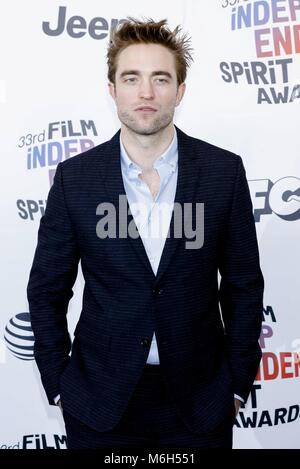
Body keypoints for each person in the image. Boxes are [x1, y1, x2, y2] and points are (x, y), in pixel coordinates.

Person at [27, 17, 264, 449]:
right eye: (131, 78)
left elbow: (244, 286)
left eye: (160, 78)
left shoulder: (223, 172)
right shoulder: (74, 179)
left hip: (200, 403)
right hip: (99, 404)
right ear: (113, 89)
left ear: (180, 90)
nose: (146, 93)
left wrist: (235, 384)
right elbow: (46, 289)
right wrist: (59, 384)